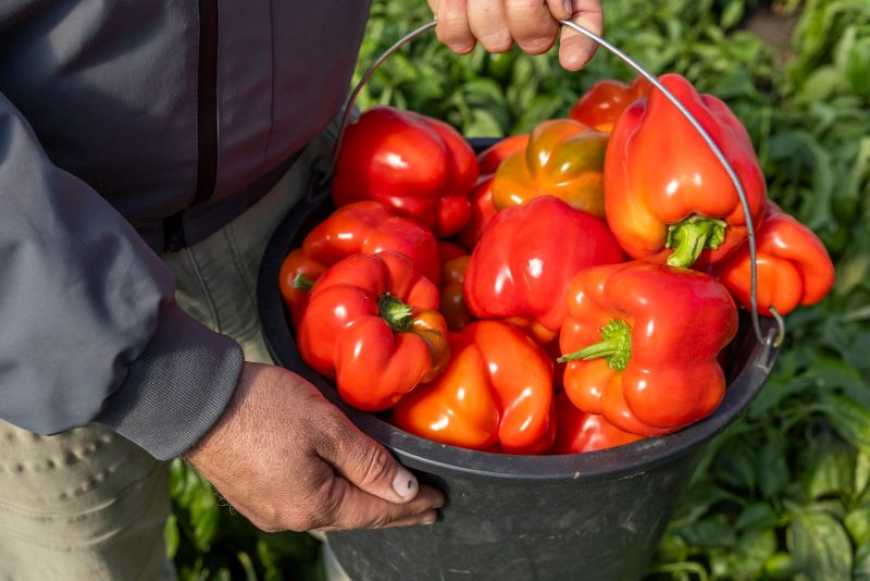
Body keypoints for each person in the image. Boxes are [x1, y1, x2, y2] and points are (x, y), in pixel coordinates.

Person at [0, 1, 601, 579]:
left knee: (397, 539)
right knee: (83, 556)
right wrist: (175, 395)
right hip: (31, 301)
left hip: (302, 207)